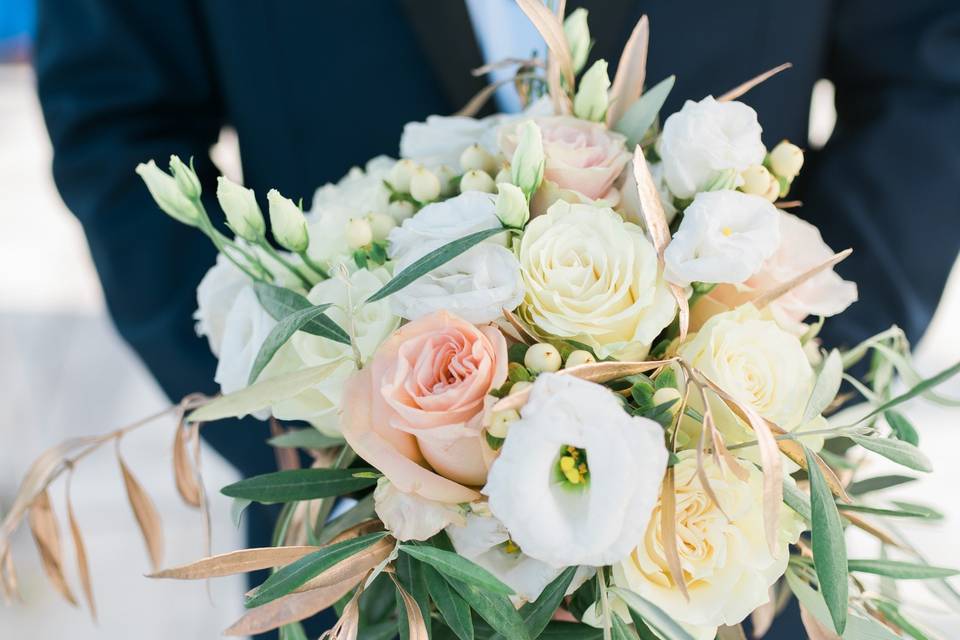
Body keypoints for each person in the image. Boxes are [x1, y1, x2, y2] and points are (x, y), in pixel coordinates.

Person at [34, 0, 960, 637]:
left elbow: (931, 68)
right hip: (366, 556)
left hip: (726, 543)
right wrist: (307, 434)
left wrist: (791, 385)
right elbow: (119, 112)